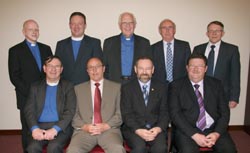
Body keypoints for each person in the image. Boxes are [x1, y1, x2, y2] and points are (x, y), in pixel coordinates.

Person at [168, 53, 237, 153]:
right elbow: (175, 114)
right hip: (188, 130)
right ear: (187, 68)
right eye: (192, 66)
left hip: (213, 128)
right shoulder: (175, 86)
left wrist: (216, 133)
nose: (196, 69)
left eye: (200, 66)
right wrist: (194, 135)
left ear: (205, 68)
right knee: (188, 151)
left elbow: (225, 113)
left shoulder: (216, 84)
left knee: (229, 150)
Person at [8, 19, 52, 153]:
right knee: (28, 129)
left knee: (45, 126)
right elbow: (14, 76)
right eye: (30, 29)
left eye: (36, 29)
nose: (34, 32)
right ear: (23, 32)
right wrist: (32, 94)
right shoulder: (15, 50)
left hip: (45, 97)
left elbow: (51, 71)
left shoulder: (46, 48)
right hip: (26, 97)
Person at [67, 57, 125, 153]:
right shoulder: (77, 89)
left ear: (103, 69)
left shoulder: (116, 88)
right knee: (73, 150)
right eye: (91, 67)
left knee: (118, 149)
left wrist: (106, 126)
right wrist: (85, 127)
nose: (94, 70)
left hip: (109, 131)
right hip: (84, 131)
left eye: (97, 66)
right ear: (87, 71)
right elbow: (73, 114)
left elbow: (120, 113)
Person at [24, 56, 76, 153]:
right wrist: (35, 129)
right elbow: (29, 110)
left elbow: (70, 111)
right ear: (44, 68)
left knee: (53, 147)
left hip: (60, 127)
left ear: (61, 69)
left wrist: (55, 129)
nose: (53, 69)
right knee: (32, 147)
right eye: (50, 66)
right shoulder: (35, 87)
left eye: (57, 66)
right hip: (39, 126)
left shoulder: (68, 86)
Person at [121, 57, 169, 153]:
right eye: (141, 68)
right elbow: (126, 114)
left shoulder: (162, 87)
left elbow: (165, 112)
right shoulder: (127, 88)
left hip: (155, 128)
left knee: (160, 148)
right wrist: (138, 130)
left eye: (148, 68)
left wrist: (158, 129)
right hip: (134, 129)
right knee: (139, 148)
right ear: (135, 69)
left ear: (153, 70)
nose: (144, 72)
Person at [193, 21, 240, 109]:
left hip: (222, 94)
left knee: (220, 120)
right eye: (211, 31)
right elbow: (192, 71)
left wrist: (234, 98)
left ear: (222, 33)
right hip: (200, 93)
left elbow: (235, 75)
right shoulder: (198, 49)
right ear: (207, 33)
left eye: (217, 31)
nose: (214, 33)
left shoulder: (232, 50)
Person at [103, 12, 152, 83]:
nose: (128, 26)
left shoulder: (144, 43)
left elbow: (148, 67)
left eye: (131, 23)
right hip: (114, 84)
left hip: (136, 84)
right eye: (124, 23)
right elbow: (105, 67)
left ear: (135, 25)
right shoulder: (109, 43)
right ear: (120, 26)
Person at [55, 12, 103, 85]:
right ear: (70, 25)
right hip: (66, 88)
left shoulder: (94, 43)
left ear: (85, 25)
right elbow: (57, 68)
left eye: (80, 24)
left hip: (87, 87)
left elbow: (98, 68)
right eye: (73, 24)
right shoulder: (61, 45)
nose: (76, 27)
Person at [152, 19, 191, 83]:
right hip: (160, 85)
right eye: (164, 28)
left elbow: (189, 66)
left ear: (174, 30)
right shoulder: (153, 48)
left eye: (170, 27)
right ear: (160, 31)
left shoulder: (184, 46)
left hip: (180, 84)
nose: (167, 30)